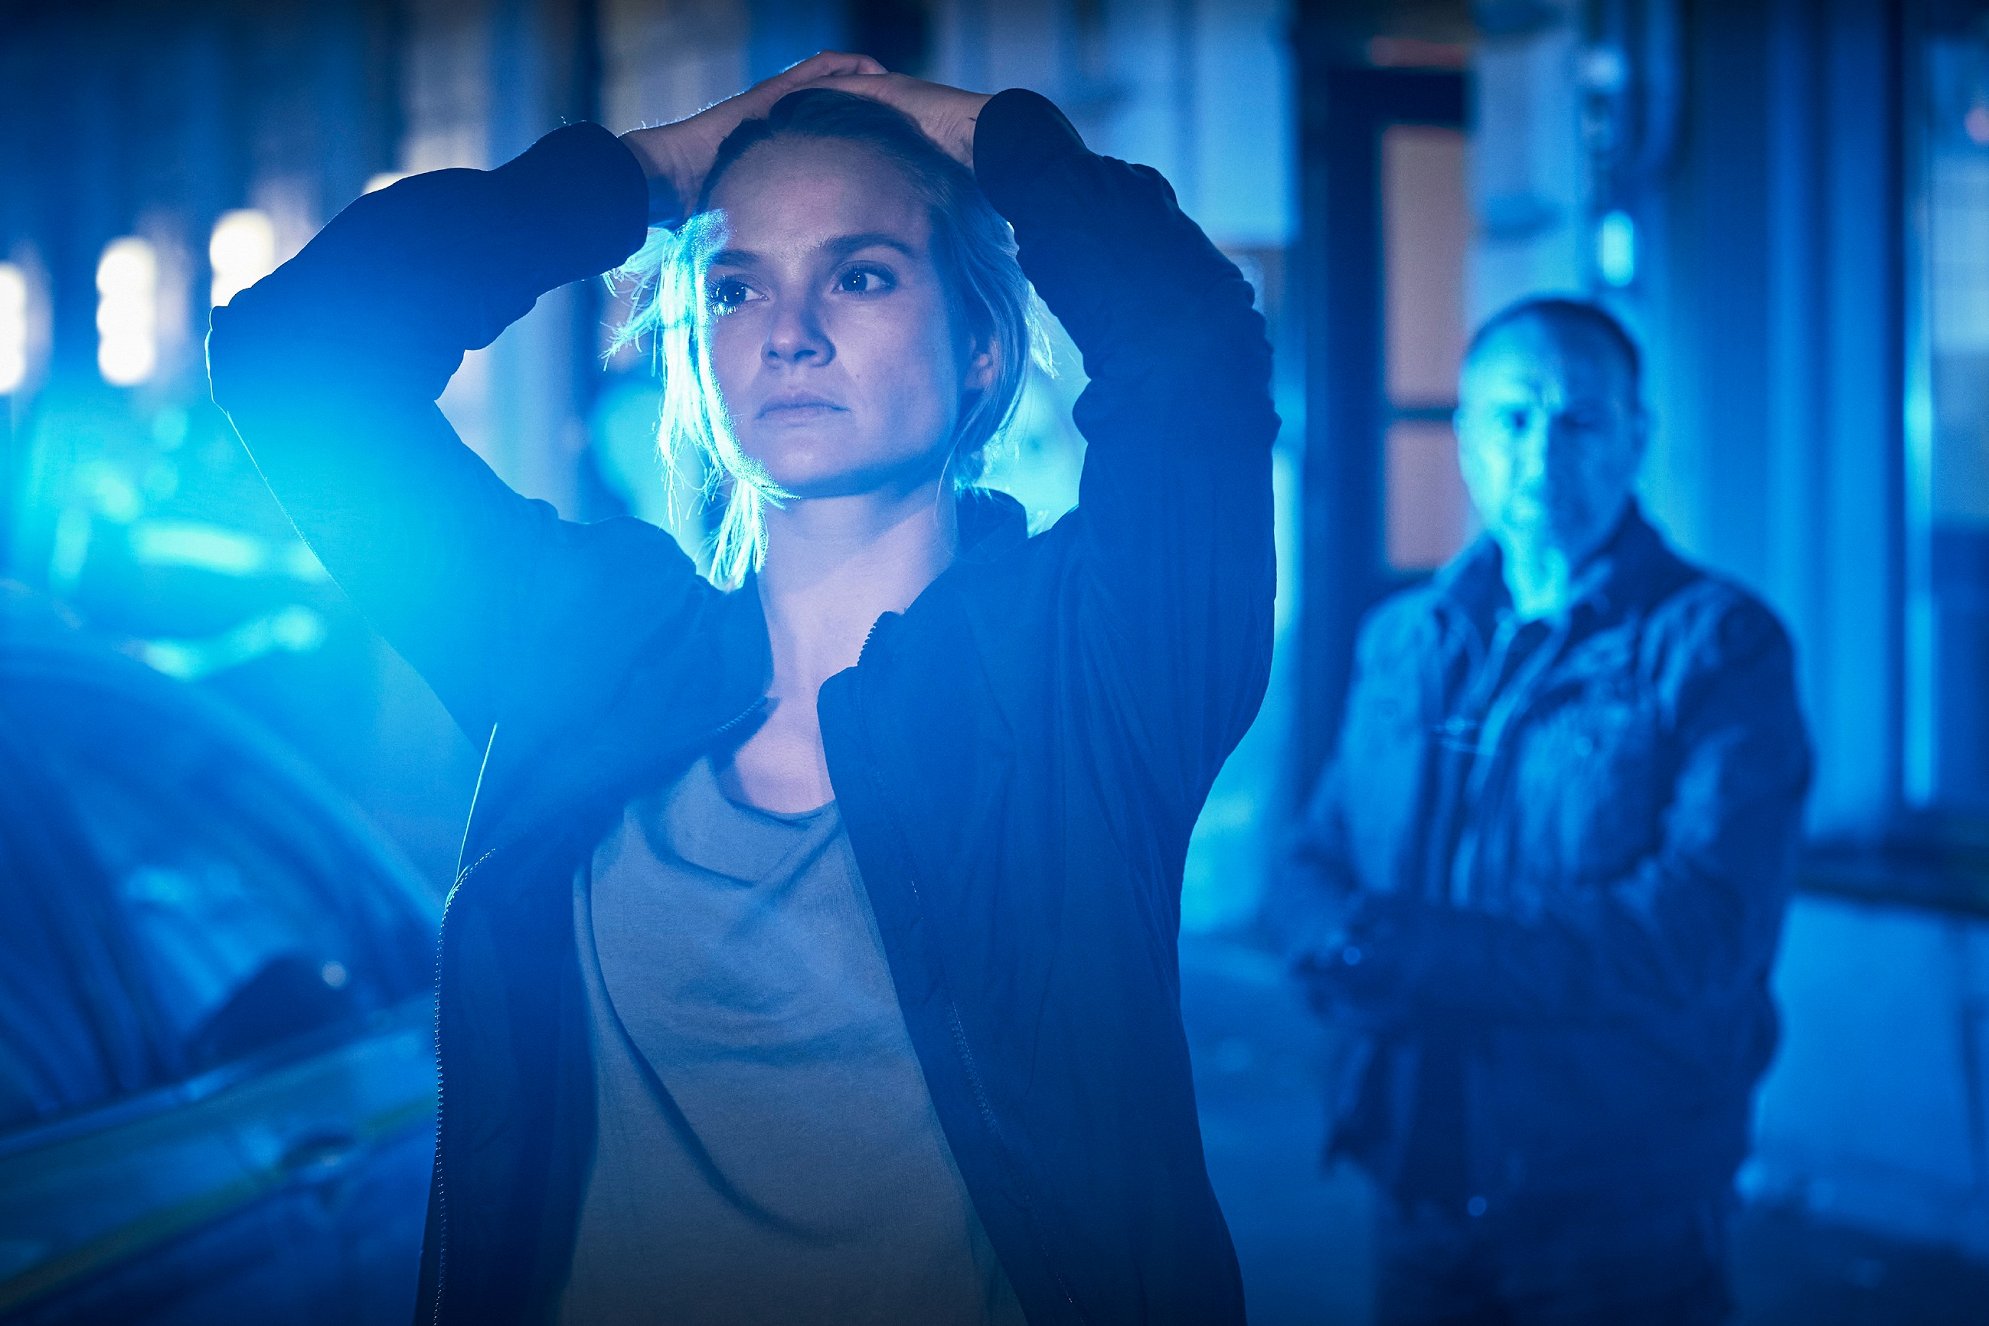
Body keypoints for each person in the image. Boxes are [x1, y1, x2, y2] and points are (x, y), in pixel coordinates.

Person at [208, 51, 1276, 1326]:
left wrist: (993, 136)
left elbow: (1192, 349)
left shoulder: (1090, 673)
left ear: (984, 352)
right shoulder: (589, 649)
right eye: (736, 286)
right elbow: (294, 361)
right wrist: (642, 173)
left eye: (861, 274)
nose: (789, 331)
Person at [1262, 297, 1810, 1325]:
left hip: (1618, 1198)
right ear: (1465, 436)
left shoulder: (1719, 647)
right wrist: (1336, 946)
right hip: (1413, 1172)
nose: (1542, 453)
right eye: (1512, 418)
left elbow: (1701, 928)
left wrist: (1412, 950)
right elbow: (1313, 856)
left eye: (1580, 420)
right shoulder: (1405, 637)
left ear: (1636, 438)